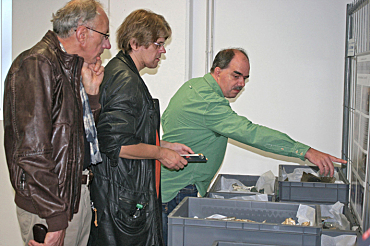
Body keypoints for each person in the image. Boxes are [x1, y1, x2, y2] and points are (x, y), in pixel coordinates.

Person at [160, 48, 347, 244]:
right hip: (177, 192)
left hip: (169, 187)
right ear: (217, 71)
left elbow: (167, 120)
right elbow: (251, 133)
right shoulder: (208, 101)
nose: (241, 83)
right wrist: (305, 151)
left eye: (245, 78)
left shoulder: (193, 87)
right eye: (236, 75)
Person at [3, 0, 111, 245]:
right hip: (50, 205)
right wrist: (55, 217)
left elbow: (74, 140)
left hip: (73, 197)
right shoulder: (37, 64)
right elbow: (33, 152)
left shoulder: (70, 68)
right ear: (82, 33)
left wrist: (92, 96)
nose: (107, 45)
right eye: (104, 36)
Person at [88, 9, 193, 246]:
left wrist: (165, 145)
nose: (163, 50)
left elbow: (129, 132)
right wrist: (160, 153)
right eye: (158, 44)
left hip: (124, 195)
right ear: (135, 43)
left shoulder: (126, 74)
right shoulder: (125, 79)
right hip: (121, 199)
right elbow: (117, 144)